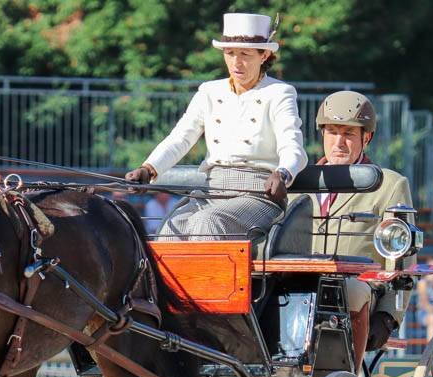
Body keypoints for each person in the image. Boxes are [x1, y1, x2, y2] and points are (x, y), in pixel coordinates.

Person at [124, 13, 307, 240]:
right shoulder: (209, 91)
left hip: (259, 195)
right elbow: (181, 137)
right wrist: (149, 169)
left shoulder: (279, 93)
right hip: (211, 192)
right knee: (171, 228)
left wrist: (283, 172)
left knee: (207, 222)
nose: (236, 62)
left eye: (245, 54)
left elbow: (292, 144)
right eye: (230, 54)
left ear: (264, 55)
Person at [303, 90, 417, 364]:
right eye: (332, 132)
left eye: (349, 134)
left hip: (360, 292)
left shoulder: (388, 185)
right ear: (322, 134)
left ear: (367, 138)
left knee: (350, 289)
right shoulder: (298, 183)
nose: (338, 142)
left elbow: (405, 261)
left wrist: (388, 317)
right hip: (301, 287)